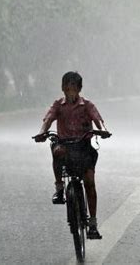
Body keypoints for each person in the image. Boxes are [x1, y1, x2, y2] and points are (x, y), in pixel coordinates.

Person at [33, 71, 109, 240]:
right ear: (63, 88)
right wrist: (41, 133)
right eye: (67, 87)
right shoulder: (58, 105)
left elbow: (98, 120)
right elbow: (47, 120)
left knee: (89, 183)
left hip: (83, 147)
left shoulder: (87, 105)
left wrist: (102, 131)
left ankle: (93, 224)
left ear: (79, 88)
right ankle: (59, 189)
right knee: (56, 150)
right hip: (66, 147)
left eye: (74, 87)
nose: (70, 90)